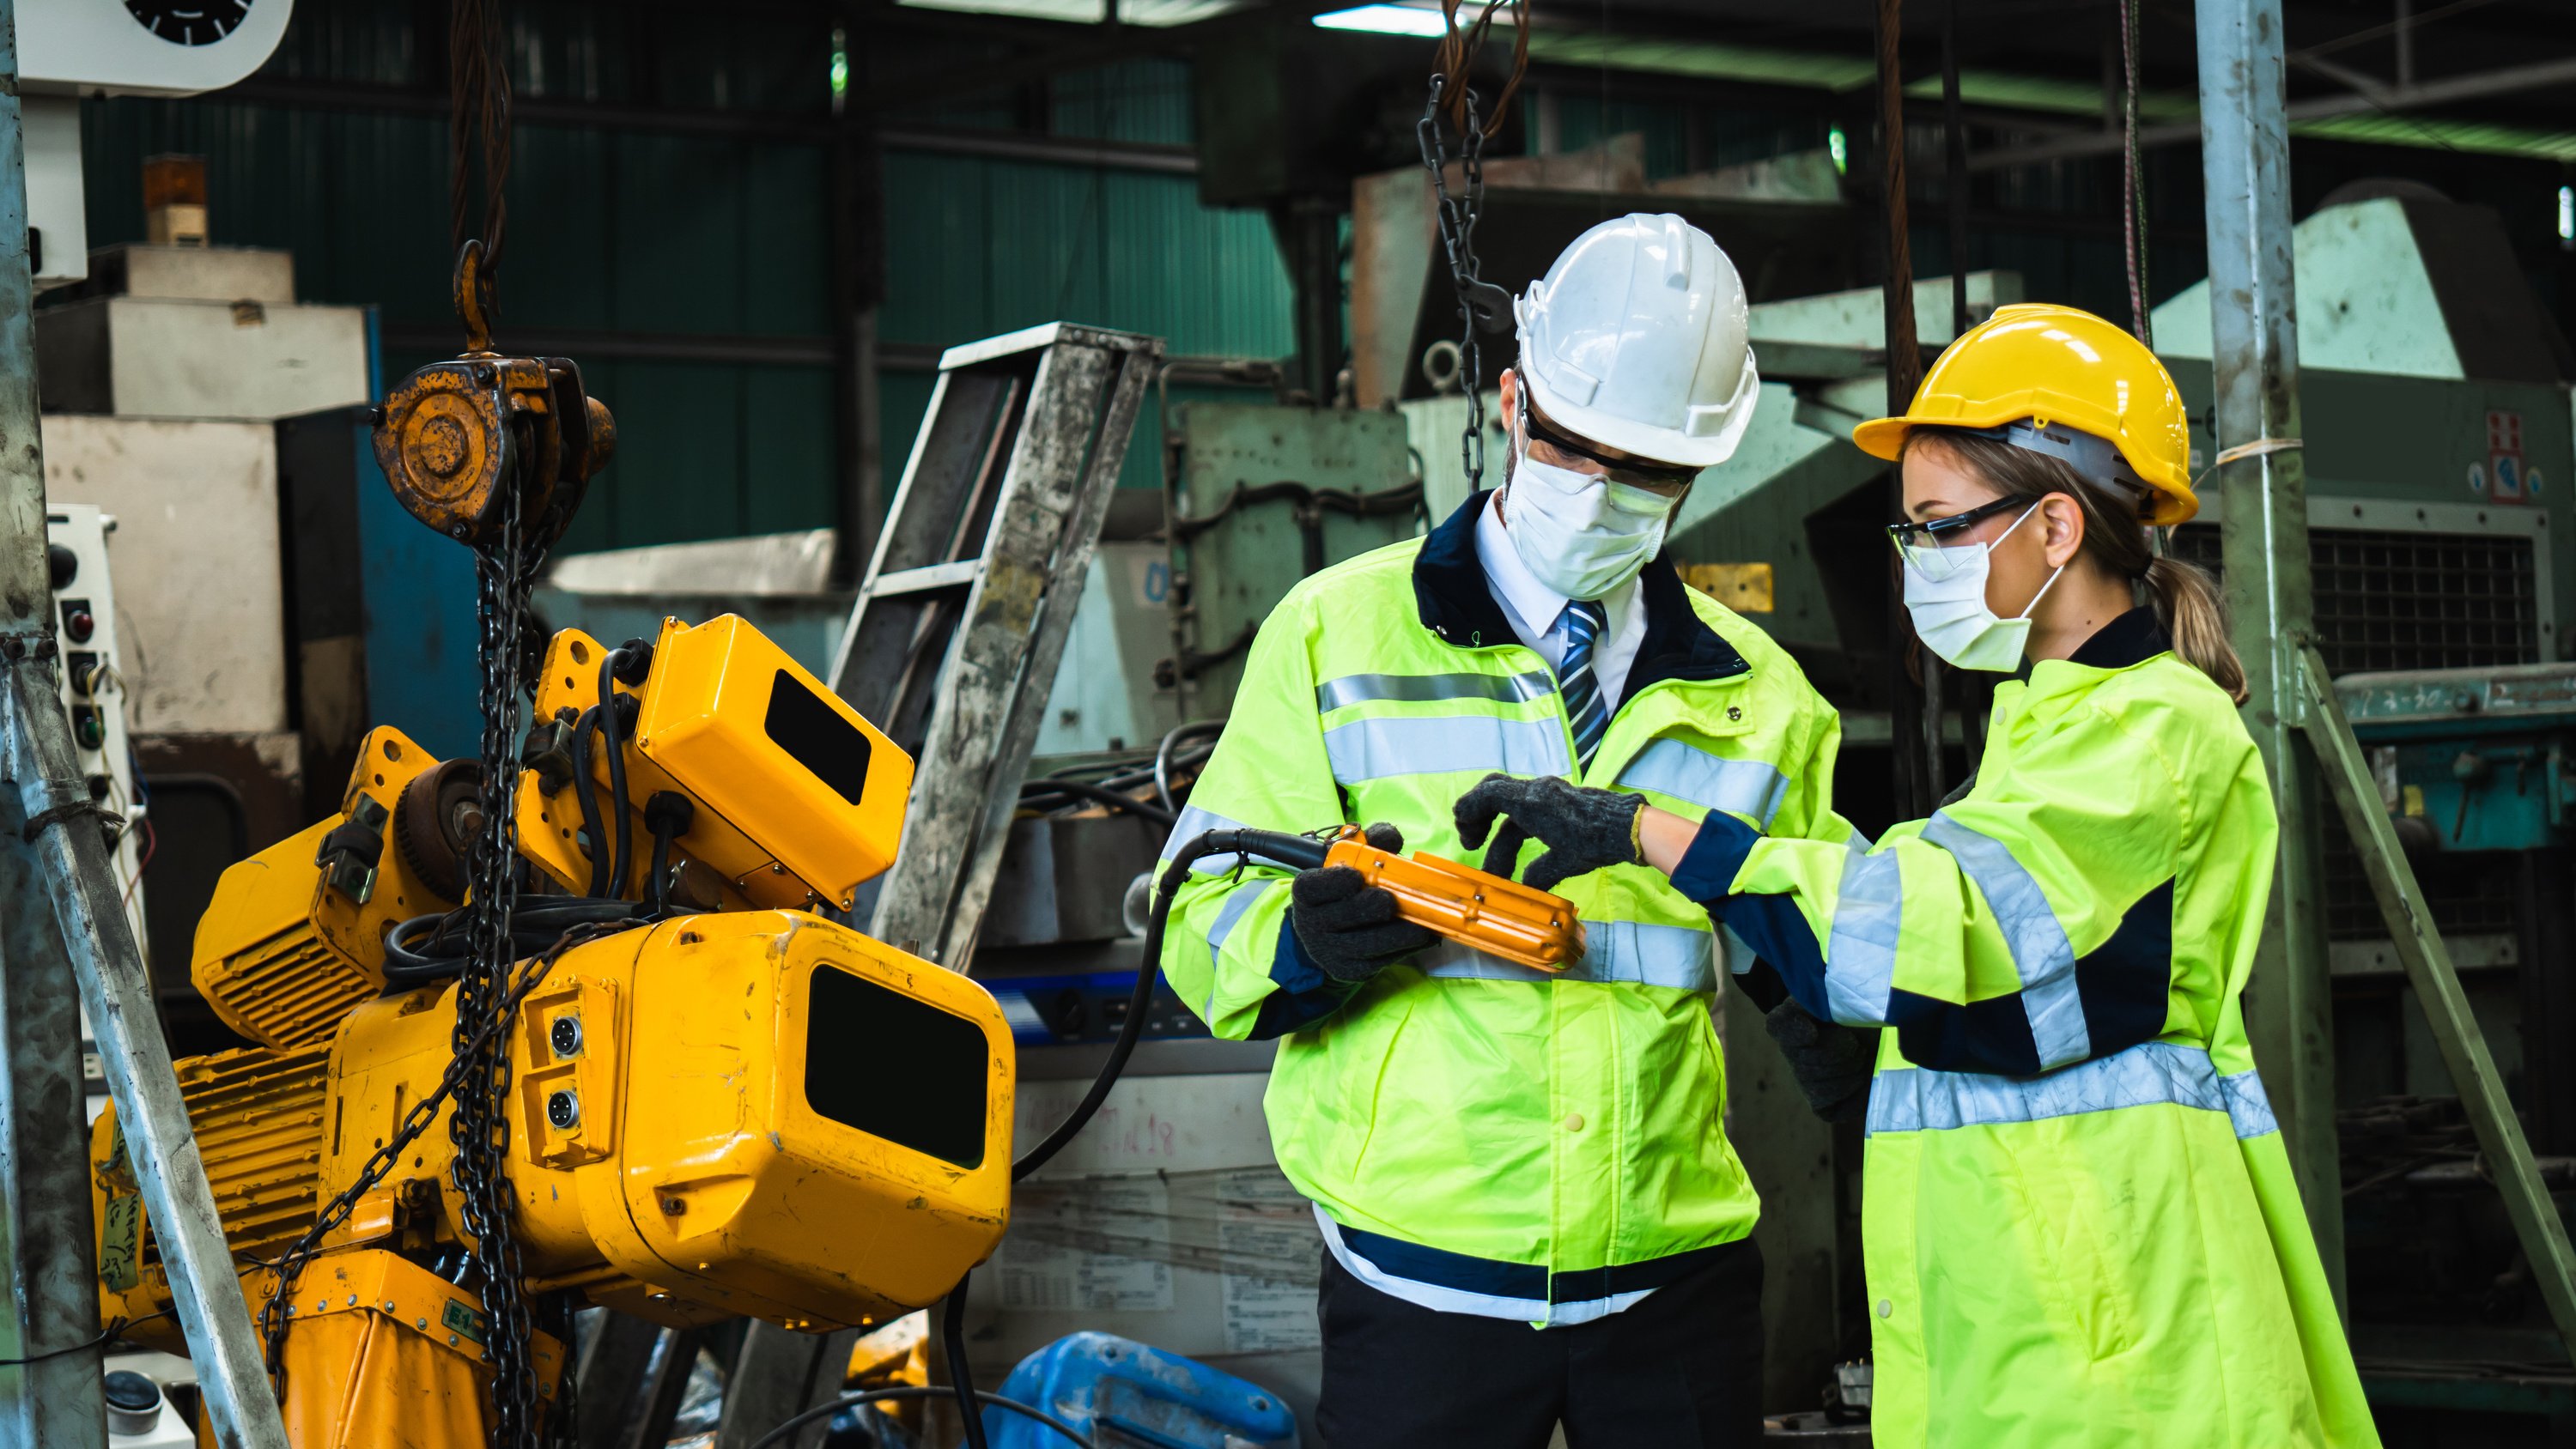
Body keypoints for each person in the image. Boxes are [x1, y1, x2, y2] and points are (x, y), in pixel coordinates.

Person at [1454, 301, 2380, 1448]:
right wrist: (1836, 1025)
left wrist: (1652, 834)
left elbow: (1937, 919)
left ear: (2054, 528)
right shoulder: (2052, 723)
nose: (1917, 566)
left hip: (2128, 1335)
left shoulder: (2154, 729)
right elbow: (2008, 975)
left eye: (1939, 528)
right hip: (2041, 1320)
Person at [1156, 214, 1862, 1448]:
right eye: (1575, 446)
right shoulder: (1334, 635)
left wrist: (1850, 1048)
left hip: (1673, 1281)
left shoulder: (1763, 697)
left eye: (1644, 469)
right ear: (1513, 400)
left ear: (1698, 471)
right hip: (1422, 1278)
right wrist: (1303, 947)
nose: (1600, 492)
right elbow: (1196, 911)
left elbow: (1810, 950)